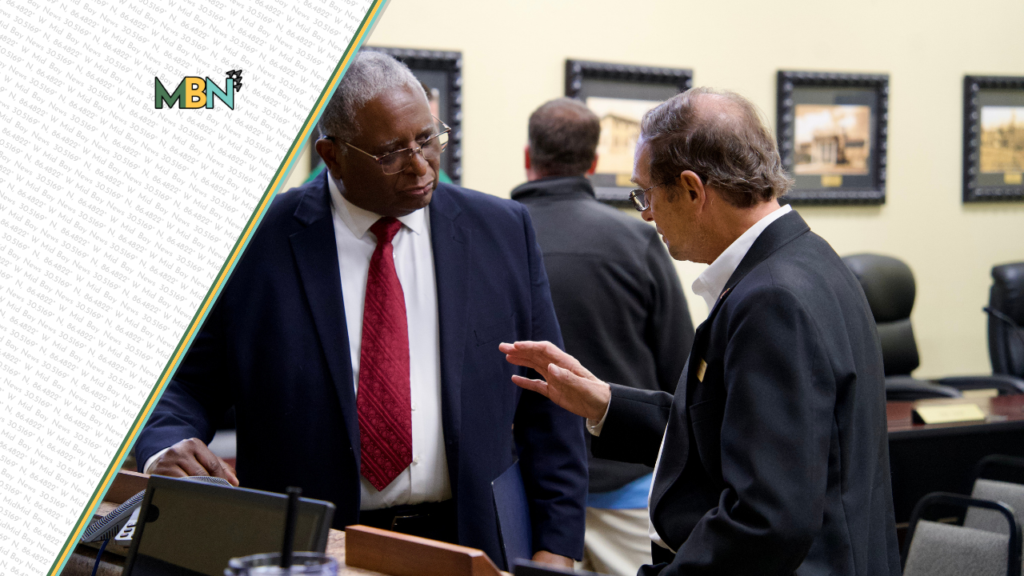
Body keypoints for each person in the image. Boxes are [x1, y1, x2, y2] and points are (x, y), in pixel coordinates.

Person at [134, 51, 586, 569]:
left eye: (427, 139)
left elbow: (550, 396)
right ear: (332, 155)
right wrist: (165, 446)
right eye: (391, 153)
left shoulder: (502, 231)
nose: (421, 166)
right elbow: (183, 384)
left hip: (473, 539)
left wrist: (557, 549)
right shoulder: (254, 240)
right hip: (310, 546)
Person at [501, 87, 900, 576]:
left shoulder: (771, 299)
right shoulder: (806, 259)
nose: (646, 213)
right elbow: (733, 432)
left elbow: (766, 520)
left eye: (646, 193)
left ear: (692, 190)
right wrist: (605, 404)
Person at [510, 98, 694, 576]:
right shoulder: (637, 241)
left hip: (529, 494)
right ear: (592, 163)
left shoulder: (494, 239)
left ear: (528, 155)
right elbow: (681, 369)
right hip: (627, 489)